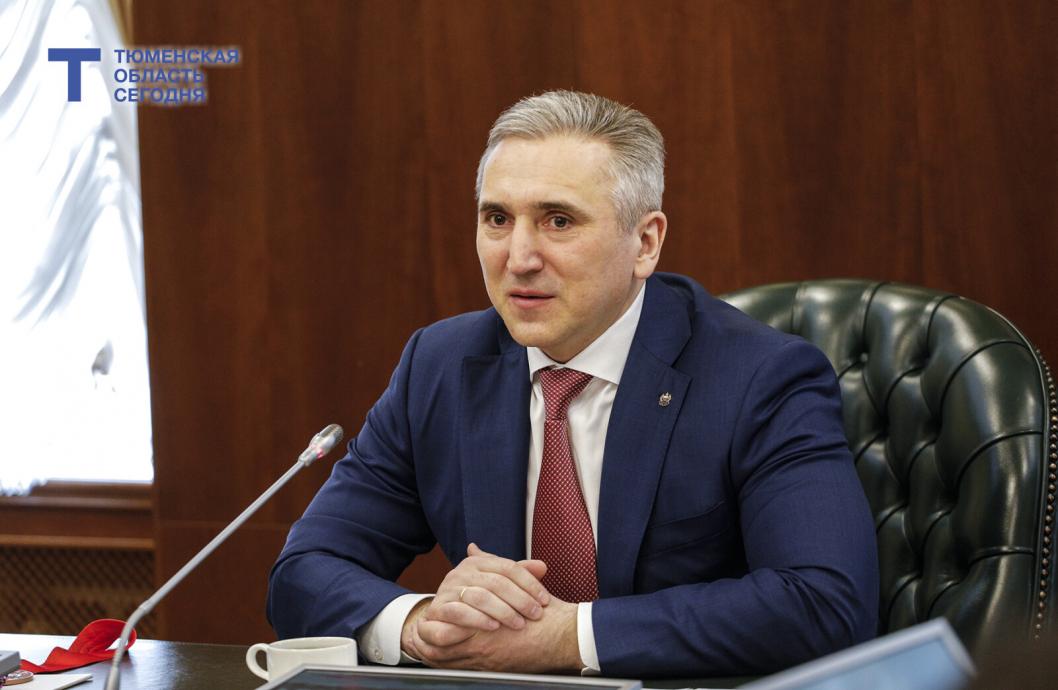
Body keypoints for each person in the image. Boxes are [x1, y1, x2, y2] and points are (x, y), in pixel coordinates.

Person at [267, 91, 878, 678]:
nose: (519, 257)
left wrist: (566, 636)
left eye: (558, 221)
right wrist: (420, 624)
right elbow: (304, 572)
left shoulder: (758, 378)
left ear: (645, 242)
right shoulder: (441, 366)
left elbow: (826, 603)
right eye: (497, 219)